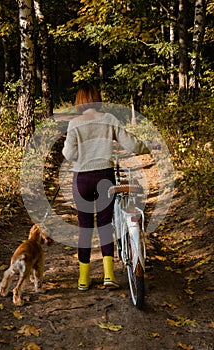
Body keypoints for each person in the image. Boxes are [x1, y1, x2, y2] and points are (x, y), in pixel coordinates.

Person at [62, 83, 153, 291]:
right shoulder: (109, 120)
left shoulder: (74, 123)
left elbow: (68, 155)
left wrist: (75, 147)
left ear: (79, 101)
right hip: (105, 176)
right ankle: (109, 275)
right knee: (104, 225)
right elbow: (132, 145)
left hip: (82, 180)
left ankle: (83, 279)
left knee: (85, 228)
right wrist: (148, 146)